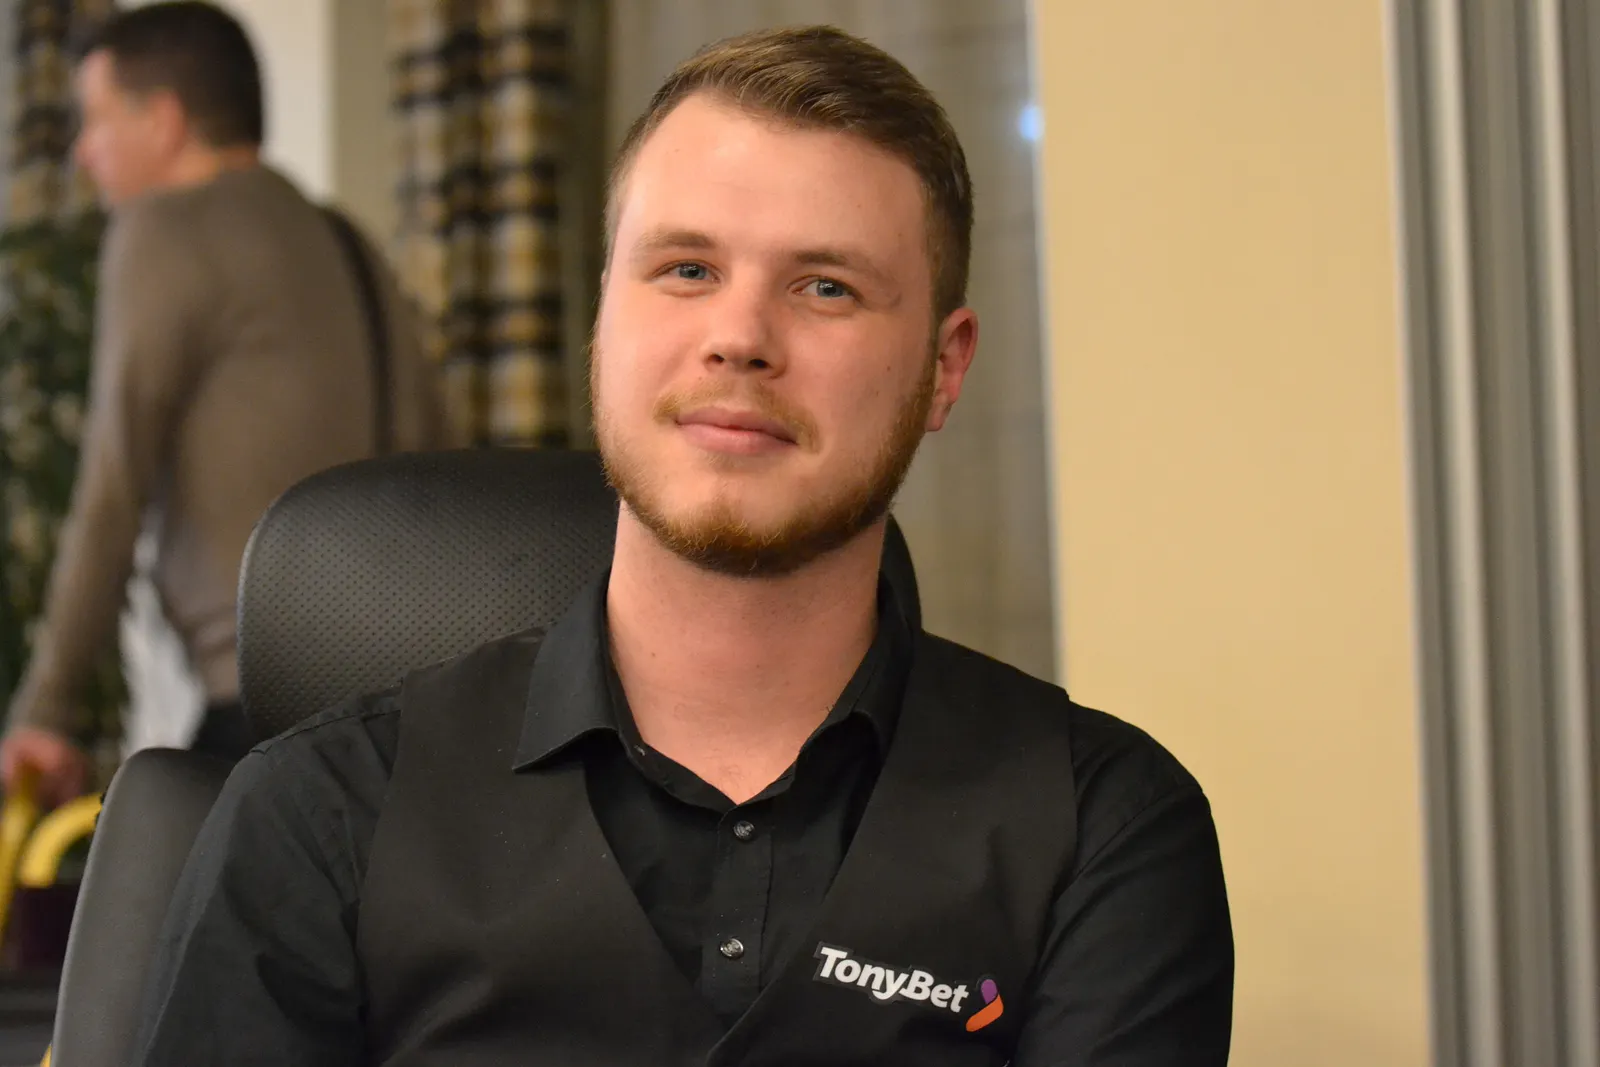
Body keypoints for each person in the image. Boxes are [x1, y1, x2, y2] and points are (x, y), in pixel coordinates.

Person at [133, 25, 1233, 1066]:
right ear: (602, 318)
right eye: (687, 270)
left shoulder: (1100, 829)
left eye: (826, 287)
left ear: (943, 368)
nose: (739, 338)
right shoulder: (320, 810)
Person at [0, 1, 446, 802]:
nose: (83, 151)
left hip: (265, 707)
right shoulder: (346, 238)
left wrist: (47, 708)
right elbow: (442, 450)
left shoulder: (162, 229)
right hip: (407, 712)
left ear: (164, 121)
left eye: (97, 119)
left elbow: (112, 480)